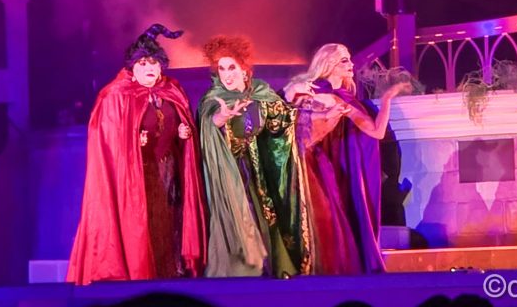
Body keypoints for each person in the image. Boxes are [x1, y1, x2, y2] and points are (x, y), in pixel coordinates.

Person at [67, 24, 207, 284]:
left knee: (169, 223)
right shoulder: (115, 95)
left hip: (168, 170)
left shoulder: (171, 90)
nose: (149, 68)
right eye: (142, 64)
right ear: (132, 68)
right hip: (136, 178)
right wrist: (130, 140)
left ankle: (170, 275)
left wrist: (183, 134)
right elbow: (107, 139)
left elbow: (178, 123)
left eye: (153, 62)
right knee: (145, 226)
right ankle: (142, 275)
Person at [198, 35, 312, 278]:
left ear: (244, 69)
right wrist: (223, 118)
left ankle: (274, 274)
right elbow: (209, 122)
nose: (226, 75)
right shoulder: (214, 98)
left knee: (269, 218)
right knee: (246, 222)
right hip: (232, 174)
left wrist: (290, 95)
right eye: (221, 69)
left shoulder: (261, 93)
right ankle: (245, 276)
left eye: (231, 67)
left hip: (260, 170)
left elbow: (278, 124)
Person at [285, 43, 401, 275]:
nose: (351, 65)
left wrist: (387, 99)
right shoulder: (310, 92)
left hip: (339, 167)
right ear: (329, 65)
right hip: (313, 166)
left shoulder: (345, 99)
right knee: (324, 219)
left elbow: (376, 132)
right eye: (344, 61)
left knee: (342, 216)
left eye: (349, 59)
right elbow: (293, 126)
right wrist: (322, 114)